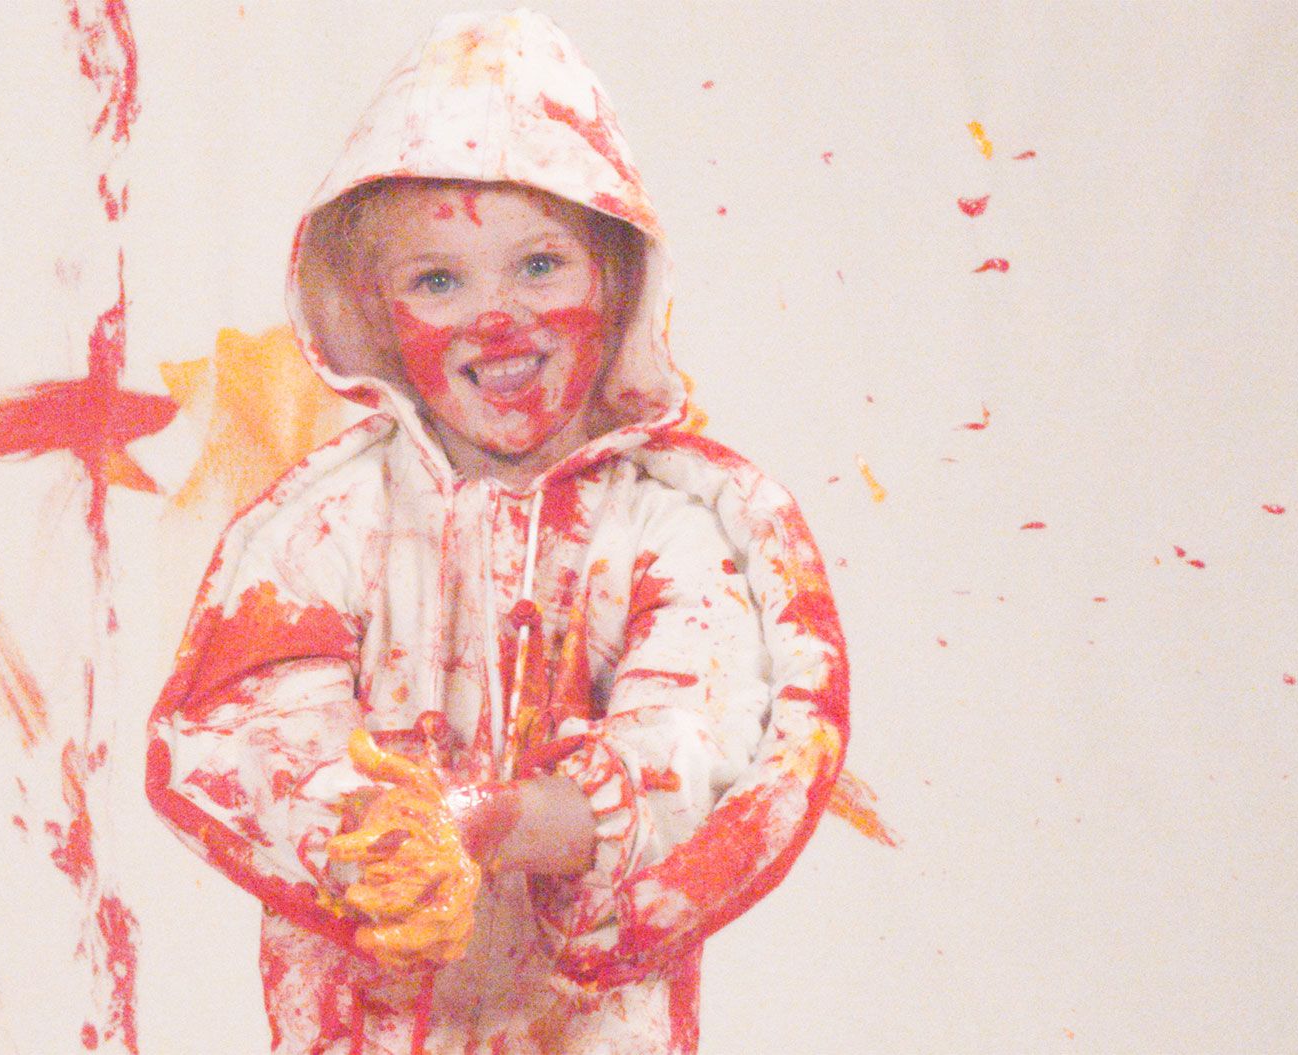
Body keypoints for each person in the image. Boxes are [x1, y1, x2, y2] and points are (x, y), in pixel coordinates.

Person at [147, 10, 849, 1053]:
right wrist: (379, 842)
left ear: (614, 279)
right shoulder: (326, 523)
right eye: (438, 280)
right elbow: (251, 731)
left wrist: (488, 820)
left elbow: (689, 748)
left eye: (539, 266)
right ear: (374, 311)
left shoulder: (676, 525)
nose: (495, 318)